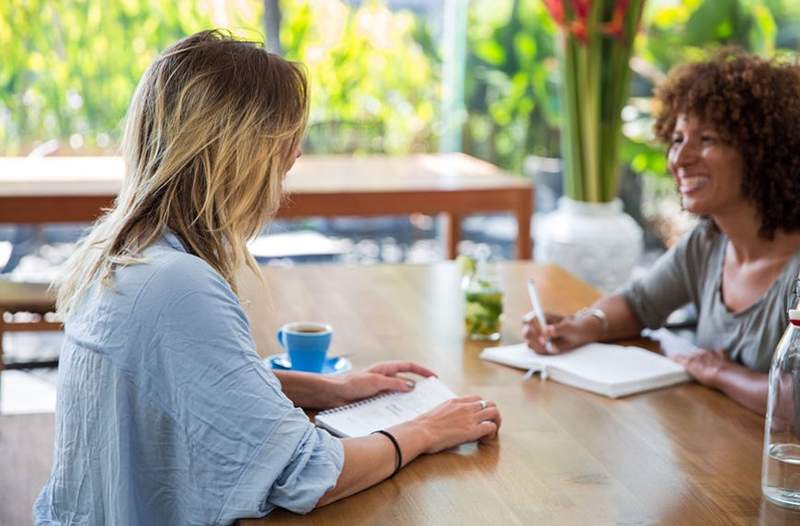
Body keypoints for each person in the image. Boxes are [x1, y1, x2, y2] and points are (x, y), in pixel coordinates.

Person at [34, 30, 501, 525]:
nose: (295, 154)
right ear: (238, 151)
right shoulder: (178, 287)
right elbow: (307, 473)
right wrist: (426, 430)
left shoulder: (125, 251)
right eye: (284, 140)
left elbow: (195, 386)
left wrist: (331, 389)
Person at [523, 49, 800, 415]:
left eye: (707, 139)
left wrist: (718, 372)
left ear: (763, 151)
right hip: (715, 453)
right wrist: (582, 325)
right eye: (678, 139)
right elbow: (639, 304)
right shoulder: (708, 244)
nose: (680, 159)